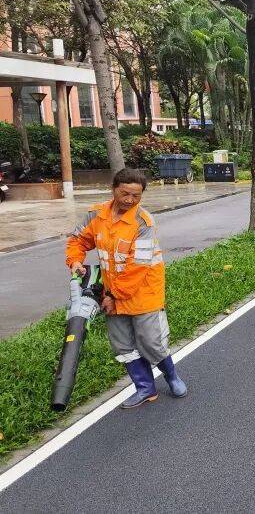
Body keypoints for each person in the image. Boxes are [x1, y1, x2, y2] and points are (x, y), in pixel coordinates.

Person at [66, 168, 187, 409]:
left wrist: (113, 296)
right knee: (123, 345)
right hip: (112, 293)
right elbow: (77, 240)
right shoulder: (96, 215)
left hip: (143, 292)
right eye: (125, 194)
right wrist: (75, 260)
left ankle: (171, 376)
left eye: (136, 196)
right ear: (113, 189)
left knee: (151, 342)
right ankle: (145, 389)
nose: (130, 200)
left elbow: (137, 267)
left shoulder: (143, 222)